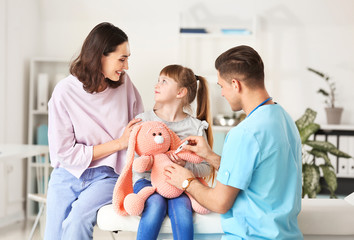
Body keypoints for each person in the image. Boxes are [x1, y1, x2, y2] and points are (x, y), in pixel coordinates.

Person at [165, 45, 303, 240]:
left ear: (236, 84)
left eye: (222, 86)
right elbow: (261, 176)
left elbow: (220, 202)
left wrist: (186, 180)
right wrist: (211, 157)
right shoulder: (283, 118)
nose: (222, 93)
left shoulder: (244, 133)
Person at [44, 22, 144, 240]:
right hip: (67, 174)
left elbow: (140, 127)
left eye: (127, 58)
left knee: (76, 221)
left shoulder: (125, 85)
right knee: (53, 235)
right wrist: (119, 143)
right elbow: (64, 153)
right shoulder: (64, 92)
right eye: (122, 59)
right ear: (100, 56)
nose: (126, 66)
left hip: (107, 176)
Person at [132, 64, 215, 240]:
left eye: (164, 81)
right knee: (155, 205)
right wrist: (154, 164)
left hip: (181, 186)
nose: (157, 85)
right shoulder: (143, 121)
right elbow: (134, 164)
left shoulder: (195, 127)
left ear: (180, 92)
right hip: (147, 183)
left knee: (183, 212)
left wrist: (187, 166)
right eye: (158, 80)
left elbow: (207, 168)